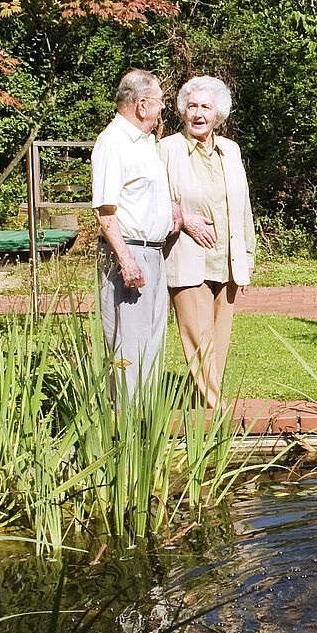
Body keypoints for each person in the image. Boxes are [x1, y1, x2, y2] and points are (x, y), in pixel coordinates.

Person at [159, 75, 256, 407]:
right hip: (188, 260)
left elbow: (243, 207)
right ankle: (218, 415)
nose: (198, 113)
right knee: (199, 341)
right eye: (191, 106)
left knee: (217, 343)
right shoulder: (167, 149)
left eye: (205, 107)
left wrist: (246, 257)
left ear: (218, 114)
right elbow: (154, 200)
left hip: (227, 262)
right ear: (183, 111)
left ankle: (196, 407)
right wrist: (184, 219)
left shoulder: (231, 150)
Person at [90, 69, 179, 395]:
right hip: (128, 253)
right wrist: (126, 260)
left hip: (153, 253)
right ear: (142, 105)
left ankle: (146, 423)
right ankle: (127, 426)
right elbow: (105, 209)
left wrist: (172, 209)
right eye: (160, 103)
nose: (161, 110)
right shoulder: (112, 143)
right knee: (129, 342)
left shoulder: (144, 143)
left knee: (152, 341)